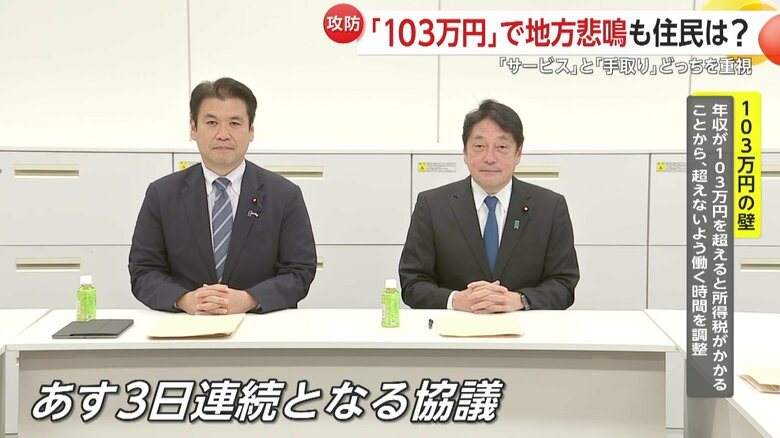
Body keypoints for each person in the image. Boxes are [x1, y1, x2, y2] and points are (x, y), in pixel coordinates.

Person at [129, 77, 316, 315]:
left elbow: (300, 272)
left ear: (251, 130)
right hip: (186, 325)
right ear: (193, 128)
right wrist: (186, 300)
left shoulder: (284, 195)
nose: (223, 134)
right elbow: (144, 271)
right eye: (211, 123)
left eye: (234, 123)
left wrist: (248, 299)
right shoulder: (162, 195)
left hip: (260, 325)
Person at [399, 99, 579, 312]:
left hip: (526, 328)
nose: (490, 158)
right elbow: (412, 283)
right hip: (454, 328)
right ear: (465, 152)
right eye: (479, 147)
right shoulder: (432, 205)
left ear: (518, 153)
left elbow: (564, 284)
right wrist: (456, 300)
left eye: (502, 147)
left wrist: (520, 300)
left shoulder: (550, 207)